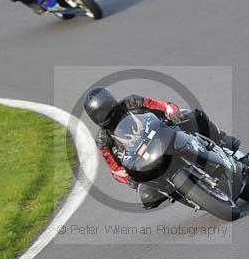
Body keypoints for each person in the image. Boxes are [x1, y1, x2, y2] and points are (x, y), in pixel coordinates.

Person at [83, 87, 240, 209]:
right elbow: (115, 169)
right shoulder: (103, 140)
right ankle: (190, 195)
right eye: (99, 113)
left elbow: (164, 106)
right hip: (147, 164)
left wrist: (173, 114)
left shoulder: (131, 102)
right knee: (145, 194)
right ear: (93, 117)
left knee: (190, 116)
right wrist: (131, 180)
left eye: (104, 108)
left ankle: (222, 140)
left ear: (111, 101)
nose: (104, 114)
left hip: (167, 136)